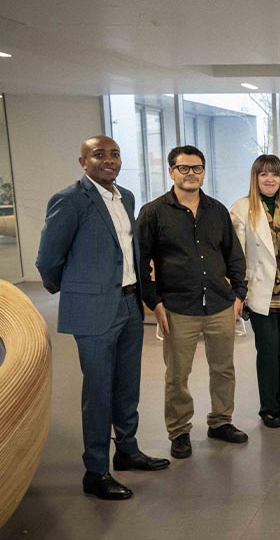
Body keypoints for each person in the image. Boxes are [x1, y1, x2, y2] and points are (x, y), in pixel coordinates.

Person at [36, 135, 169, 500]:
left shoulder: (125, 196)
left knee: (128, 385)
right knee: (98, 392)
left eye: (115, 154)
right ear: (83, 162)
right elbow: (47, 260)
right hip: (94, 310)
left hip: (129, 304)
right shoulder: (69, 200)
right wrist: (77, 291)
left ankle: (127, 450)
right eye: (99, 154)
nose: (109, 160)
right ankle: (95, 471)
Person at [137, 145, 249, 459]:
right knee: (177, 375)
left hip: (218, 304)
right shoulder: (153, 212)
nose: (191, 174)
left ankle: (221, 421)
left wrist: (239, 294)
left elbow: (233, 255)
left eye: (197, 168)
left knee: (223, 369)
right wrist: (154, 302)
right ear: (171, 171)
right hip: (177, 307)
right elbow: (141, 261)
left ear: (203, 171)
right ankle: (179, 431)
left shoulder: (217, 210)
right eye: (184, 168)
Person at [230, 155, 280, 428]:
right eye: (263, 174)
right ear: (255, 178)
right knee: (267, 350)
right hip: (259, 291)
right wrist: (240, 294)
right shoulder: (241, 208)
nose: (269, 179)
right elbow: (236, 255)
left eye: (274, 174)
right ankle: (269, 407)